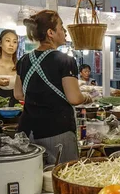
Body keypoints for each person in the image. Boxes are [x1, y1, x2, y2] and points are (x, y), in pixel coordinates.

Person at [14, 10, 91, 165]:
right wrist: (88, 97)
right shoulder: (65, 60)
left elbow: (18, 94)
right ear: (51, 32)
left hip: (27, 132)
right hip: (57, 132)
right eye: (61, 28)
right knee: (62, 178)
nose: (64, 33)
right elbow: (75, 98)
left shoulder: (23, 60)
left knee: (34, 179)